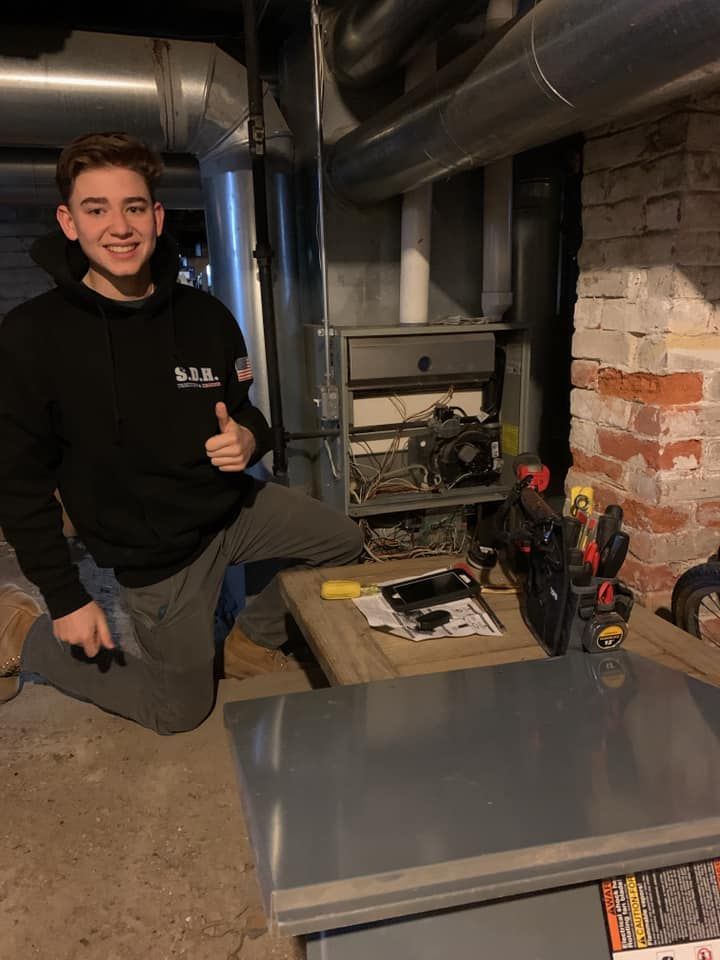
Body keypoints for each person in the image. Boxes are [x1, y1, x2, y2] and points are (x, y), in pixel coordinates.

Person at [0, 132, 362, 734]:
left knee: (340, 542)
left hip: (231, 510)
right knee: (179, 712)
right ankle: (23, 635)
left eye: (134, 207)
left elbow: (249, 415)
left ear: (157, 216)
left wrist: (249, 439)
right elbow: (17, 483)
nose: (119, 226)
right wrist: (65, 597)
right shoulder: (32, 337)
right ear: (69, 222)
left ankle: (252, 643)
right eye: (97, 209)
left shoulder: (206, 317)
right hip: (158, 556)